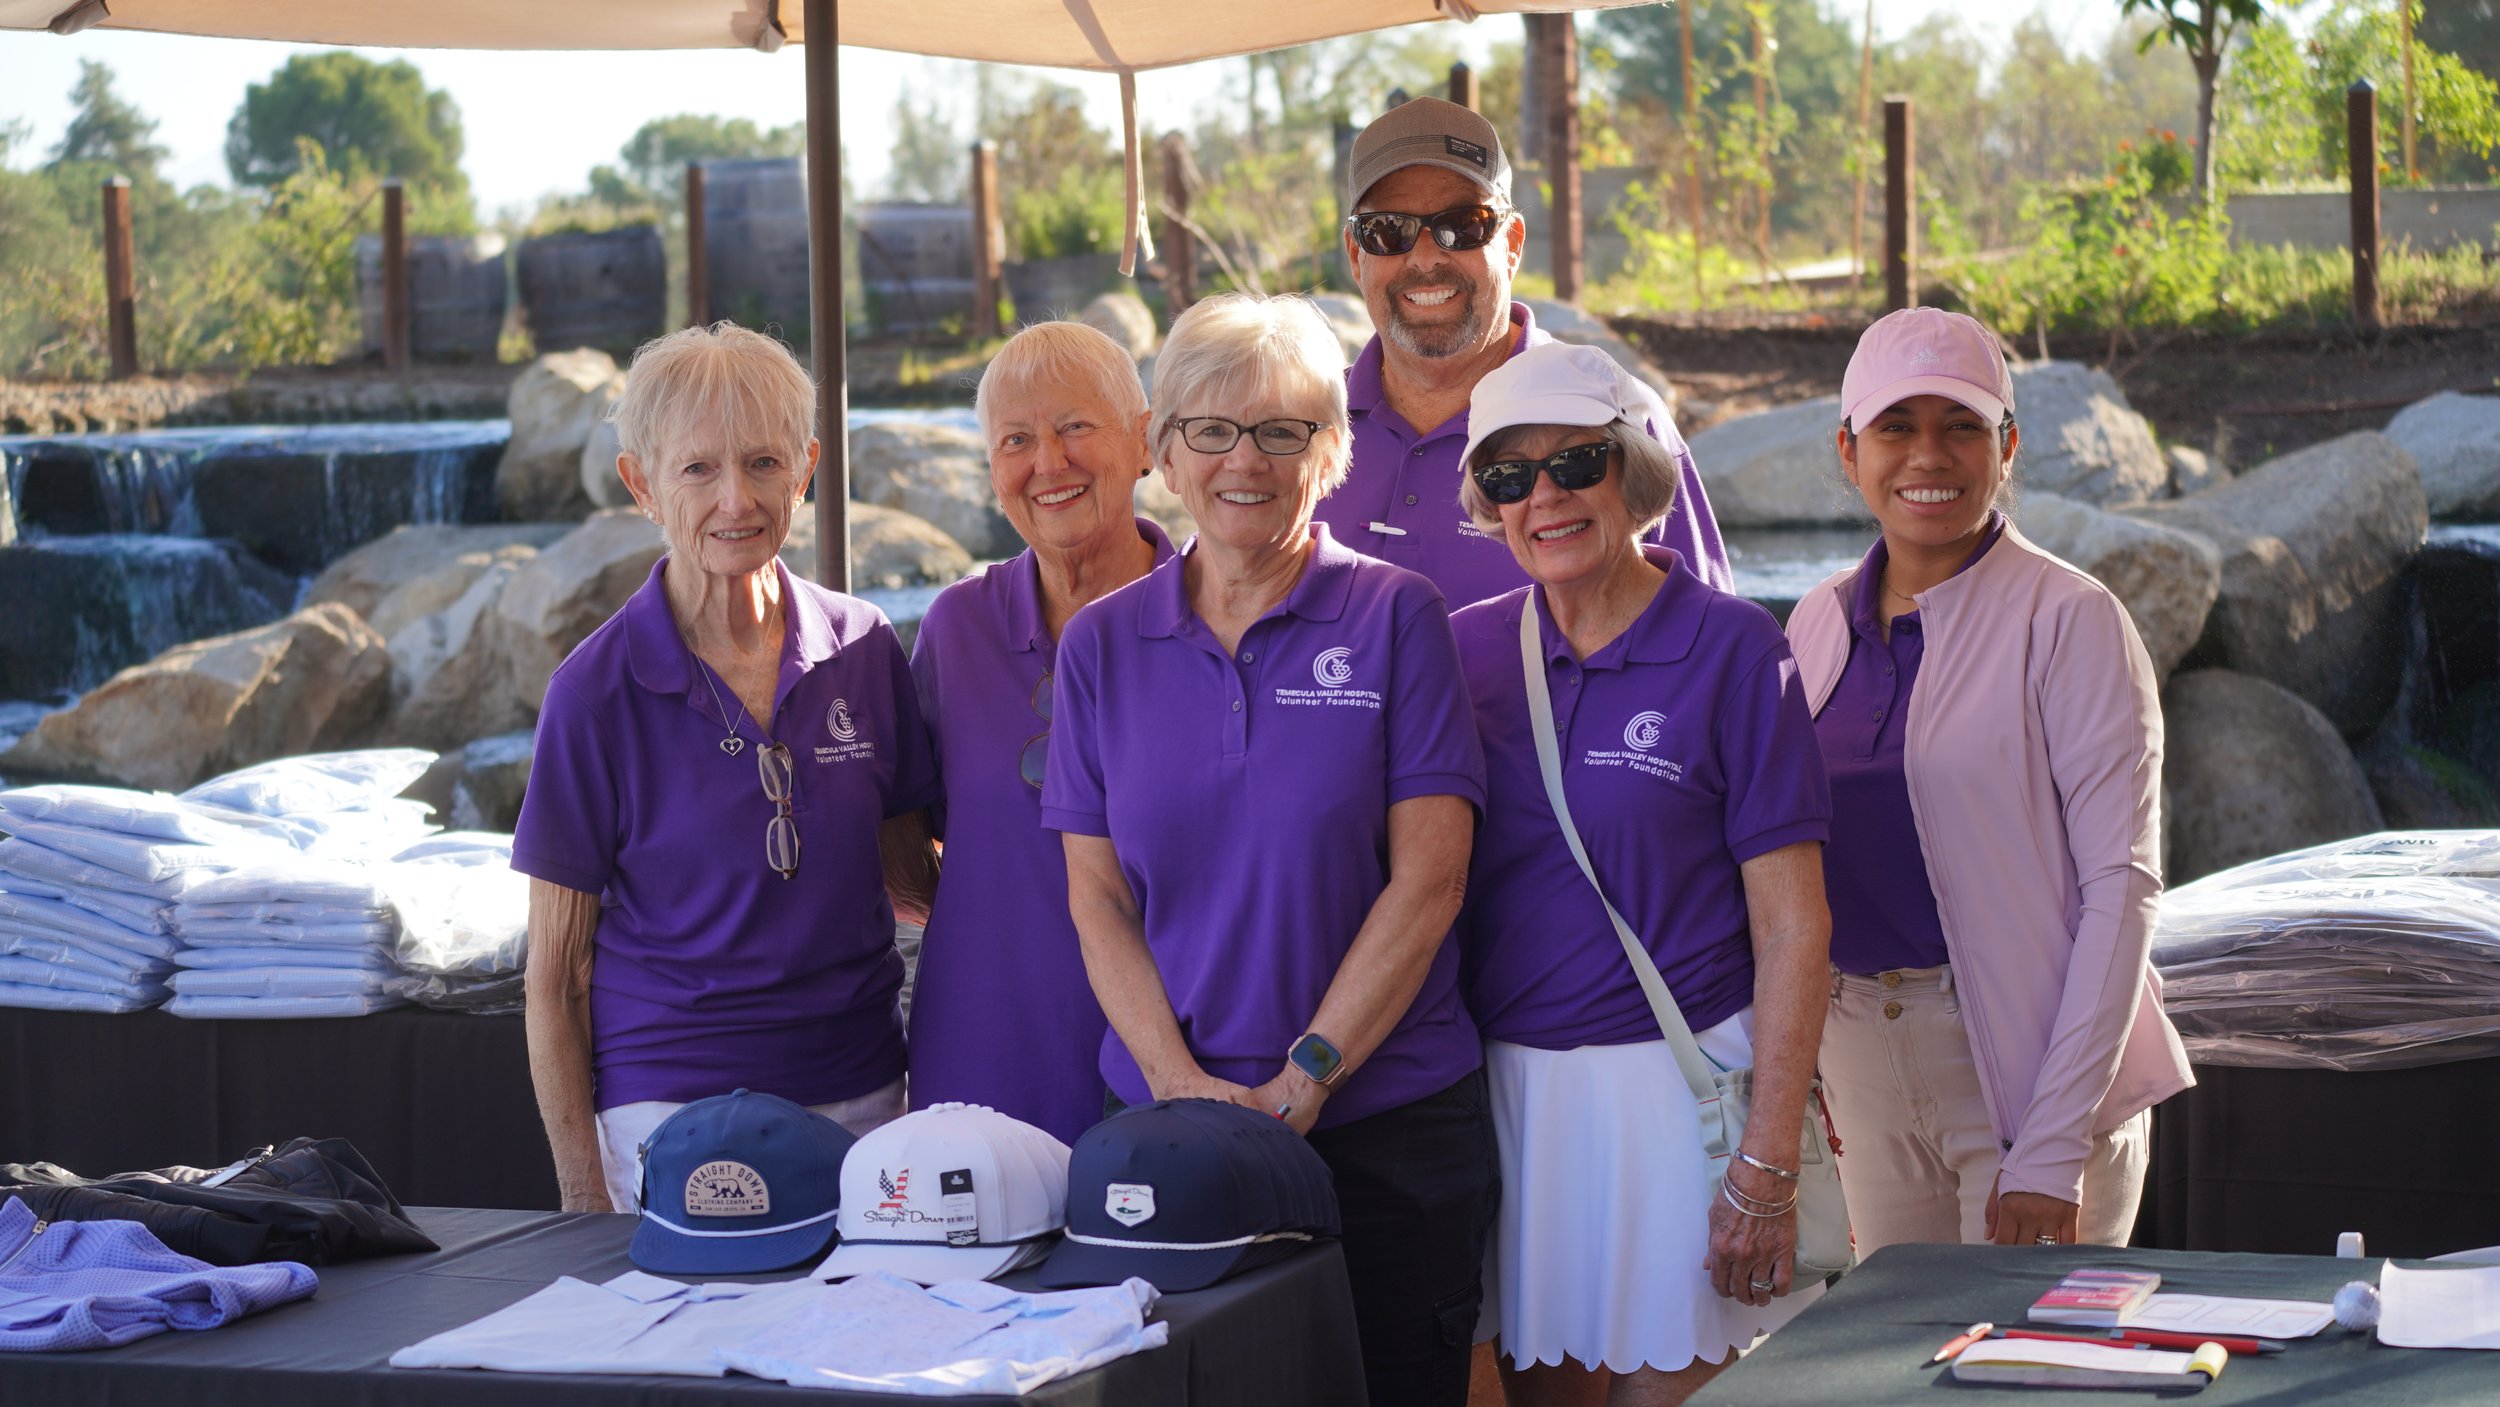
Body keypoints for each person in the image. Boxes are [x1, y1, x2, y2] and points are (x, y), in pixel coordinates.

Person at [1042, 293, 1493, 1407]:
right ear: (1164, 449)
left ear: (1330, 452)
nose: (1246, 460)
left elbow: (1430, 878)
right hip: (1165, 1134)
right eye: (1212, 429)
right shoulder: (1102, 643)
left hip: (1387, 1129)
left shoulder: (1396, 616)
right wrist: (1178, 1087)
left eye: (1284, 431)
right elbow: (1096, 898)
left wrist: (1308, 1079)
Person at [1450, 342, 1832, 1407]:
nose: (1545, 498)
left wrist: (1764, 1163)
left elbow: (1795, 928)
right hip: (1509, 1100)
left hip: (1680, 1100)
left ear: (1634, 471)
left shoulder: (1735, 649)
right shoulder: (1460, 655)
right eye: (1509, 477)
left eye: (1573, 463)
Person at [1787, 307, 2192, 1256]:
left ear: (2006, 445)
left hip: (2027, 1079)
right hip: (1864, 1067)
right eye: (1897, 426)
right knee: (1901, 1384)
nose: (1929, 454)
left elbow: (2121, 890)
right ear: (1849, 451)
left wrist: (2054, 1145)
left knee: (2026, 1382)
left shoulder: (2074, 621)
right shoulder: (1812, 622)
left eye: (1960, 424)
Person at [514, 322, 941, 1214]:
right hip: (672, 1118)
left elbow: (915, 886)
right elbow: (555, 978)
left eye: (763, 463)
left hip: (864, 1097)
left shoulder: (864, 647)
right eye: (697, 469)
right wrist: (581, 1201)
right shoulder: (593, 692)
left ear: (807, 468)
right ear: (642, 484)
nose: (735, 499)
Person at [903, 321, 1174, 1146]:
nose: (1048, 463)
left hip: (1175, 1056)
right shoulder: (956, 629)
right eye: (1016, 440)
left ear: (1144, 442)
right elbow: (902, 836)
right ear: (992, 472)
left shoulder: (1213, 619)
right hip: (981, 1058)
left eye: (1075, 427)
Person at [1317, 96, 1732, 610]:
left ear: (1511, 242)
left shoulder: (1615, 416)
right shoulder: (1298, 428)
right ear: (1357, 257)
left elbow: (1709, 652)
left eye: (1463, 225)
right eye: (1388, 231)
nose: (1425, 259)